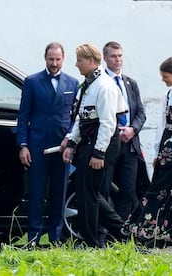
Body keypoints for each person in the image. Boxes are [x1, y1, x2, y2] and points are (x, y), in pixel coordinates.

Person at [121, 57, 172, 254]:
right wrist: (158, 151)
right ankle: (156, 235)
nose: (163, 80)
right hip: (167, 151)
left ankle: (165, 236)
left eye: (166, 76)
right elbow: (162, 124)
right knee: (160, 190)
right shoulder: (170, 94)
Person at [62, 43, 127, 248]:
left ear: (91, 61)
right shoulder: (90, 83)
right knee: (87, 192)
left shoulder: (104, 86)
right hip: (90, 139)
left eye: (79, 60)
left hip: (102, 142)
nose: (76, 64)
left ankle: (94, 241)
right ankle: (122, 233)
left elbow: (108, 123)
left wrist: (99, 153)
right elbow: (83, 118)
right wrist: (72, 142)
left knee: (89, 193)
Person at [17, 42, 79, 247]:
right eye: (51, 59)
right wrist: (23, 145)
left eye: (58, 59)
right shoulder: (32, 81)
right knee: (36, 192)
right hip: (37, 145)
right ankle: (33, 236)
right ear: (45, 58)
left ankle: (55, 238)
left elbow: (75, 117)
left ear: (63, 59)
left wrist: (70, 139)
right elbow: (23, 115)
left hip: (62, 147)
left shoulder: (73, 83)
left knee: (59, 193)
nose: (54, 63)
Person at [102, 41, 147, 220]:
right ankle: (102, 233)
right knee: (104, 190)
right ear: (105, 58)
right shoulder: (101, 82)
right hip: (109, 144)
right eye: (113, 56)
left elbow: (141, 113)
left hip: (129, 145)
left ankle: (120, 233)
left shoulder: (130, 83)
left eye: (120, 56)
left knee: (128, 191)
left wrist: (133, 130)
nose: (117, 60)